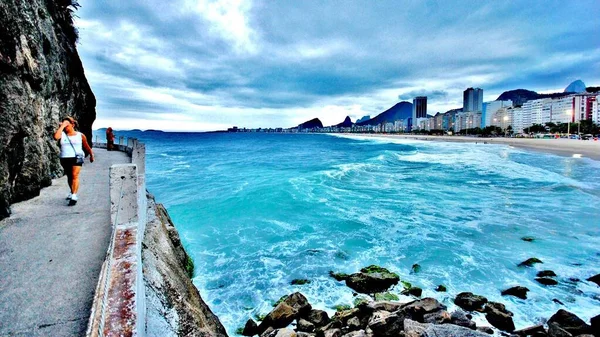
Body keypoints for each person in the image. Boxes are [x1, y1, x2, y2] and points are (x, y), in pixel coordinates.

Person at [53, 116, 94, 206]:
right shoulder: (62, 134)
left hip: (77, 157)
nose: (66, 126)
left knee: (75, 175)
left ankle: (74, 196)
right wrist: (62, 126)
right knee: (70, 177)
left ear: (73, 124)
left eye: (68, 124)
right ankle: (72, 192)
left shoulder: (80, 135)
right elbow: (56, 137)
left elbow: (87, 146)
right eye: (64, 124)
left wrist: (91, 155)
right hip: (65, 158)